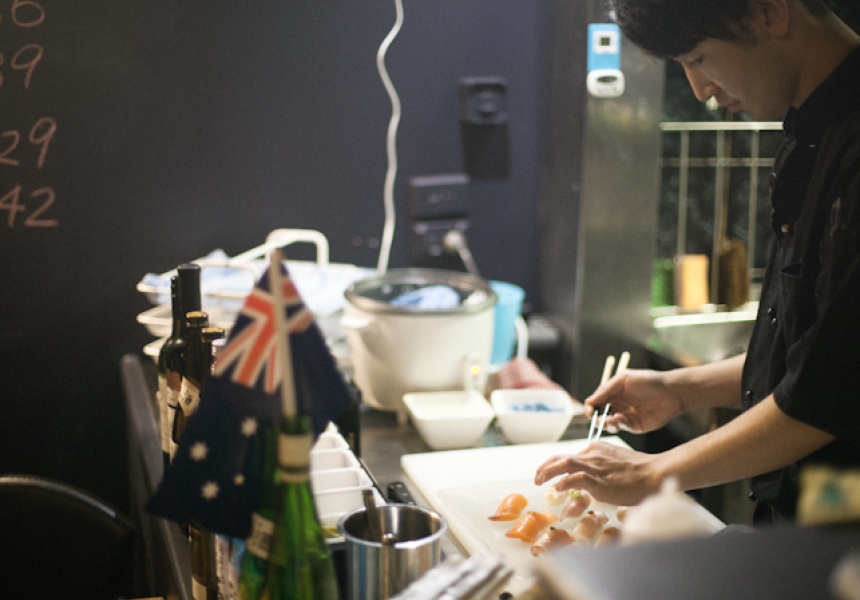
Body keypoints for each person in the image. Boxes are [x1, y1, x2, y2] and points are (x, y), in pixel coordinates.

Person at [534, 0, 860, 524]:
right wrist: (679, 389)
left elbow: (829, 395)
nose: (700, 89)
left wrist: (651, 474)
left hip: (841, 527)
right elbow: (815, 349)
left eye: (699, 58)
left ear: (769, 12)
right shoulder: (811, 134)